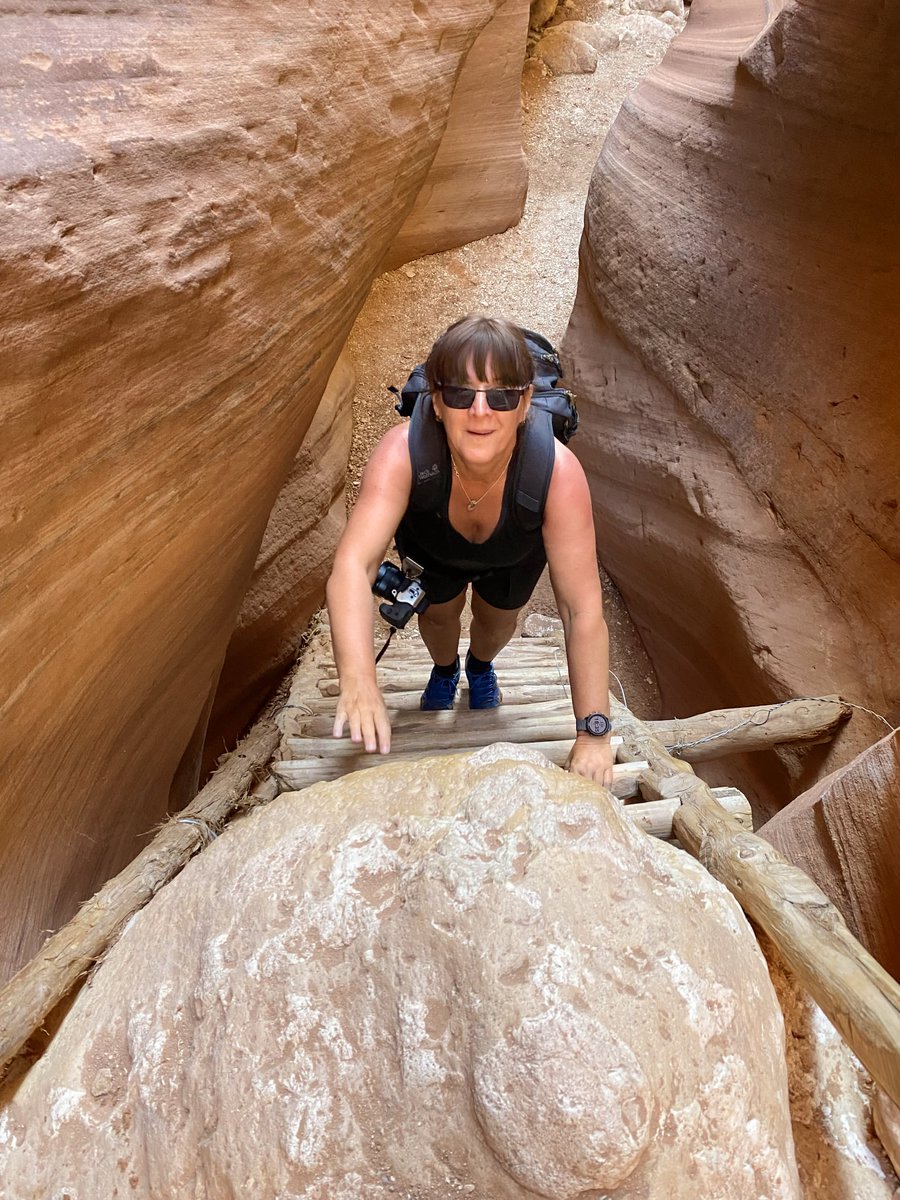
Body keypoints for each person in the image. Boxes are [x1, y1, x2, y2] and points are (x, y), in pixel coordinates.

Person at [325, 315, 613, 786]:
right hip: (432, 550)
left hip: (512, 555)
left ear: (524, 405)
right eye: (461, 393)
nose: (481, 411)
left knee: (497, 622)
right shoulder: (403, 453)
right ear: (437, 403)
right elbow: (353, 566)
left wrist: (594, 734)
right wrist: (357, 680)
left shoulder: (556, 472)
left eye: (501, 396)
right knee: (438, 618)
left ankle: (480, 666)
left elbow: (581, 610)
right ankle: (445, 669)